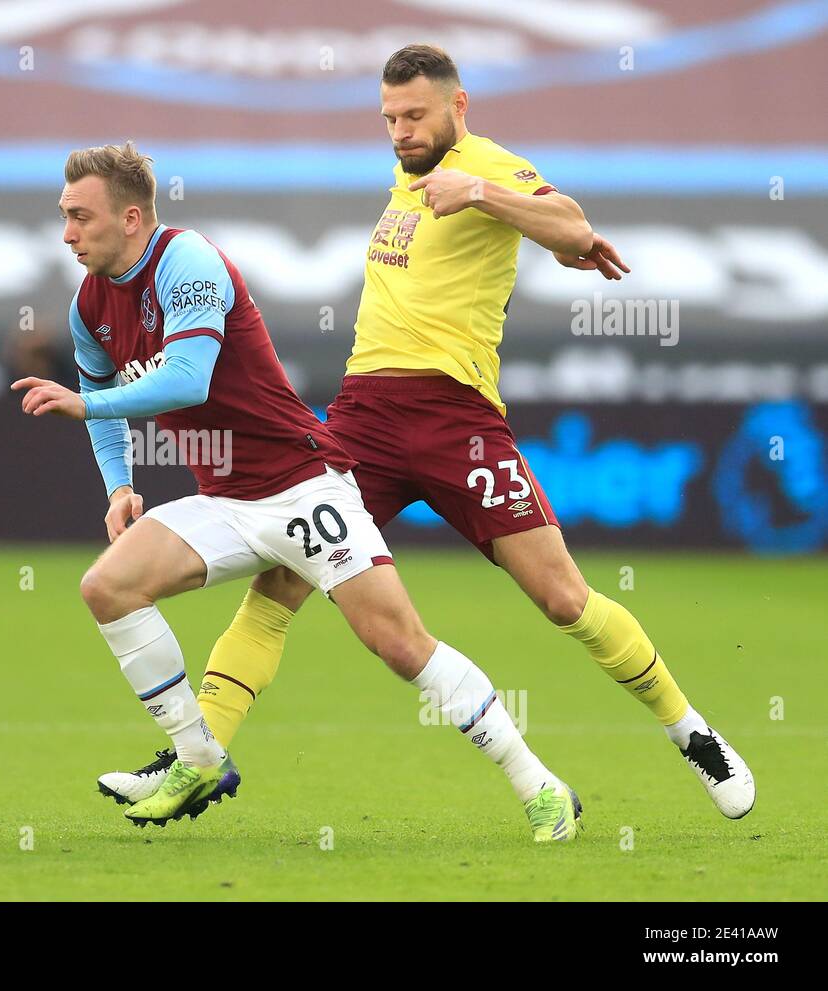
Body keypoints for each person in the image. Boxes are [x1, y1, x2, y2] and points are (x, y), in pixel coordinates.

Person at [99, 45, 754, 822]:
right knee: (276, 587)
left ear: (458, 106)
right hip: (364, 421)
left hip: (458, 422)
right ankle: (195, 759)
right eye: (390, 119)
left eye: (415, 116)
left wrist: (480, 191)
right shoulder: (404, 187)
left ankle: (693, 733)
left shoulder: (487, 167)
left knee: (562, 597)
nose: (402, 132)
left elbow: (574, 229)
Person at [13, 141, 582, 839]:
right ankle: (198, 757)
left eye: (80, 217)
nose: (67, 233)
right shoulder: (90, 304)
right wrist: (119, 487)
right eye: (63, 217)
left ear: (131, 218)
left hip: (302, 485)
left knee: (400, 644)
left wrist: (85, 405)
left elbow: (186, 377)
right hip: (226, 499)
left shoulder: (187, 261)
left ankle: (542, 786)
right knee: (107, 587)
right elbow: (101, 389)